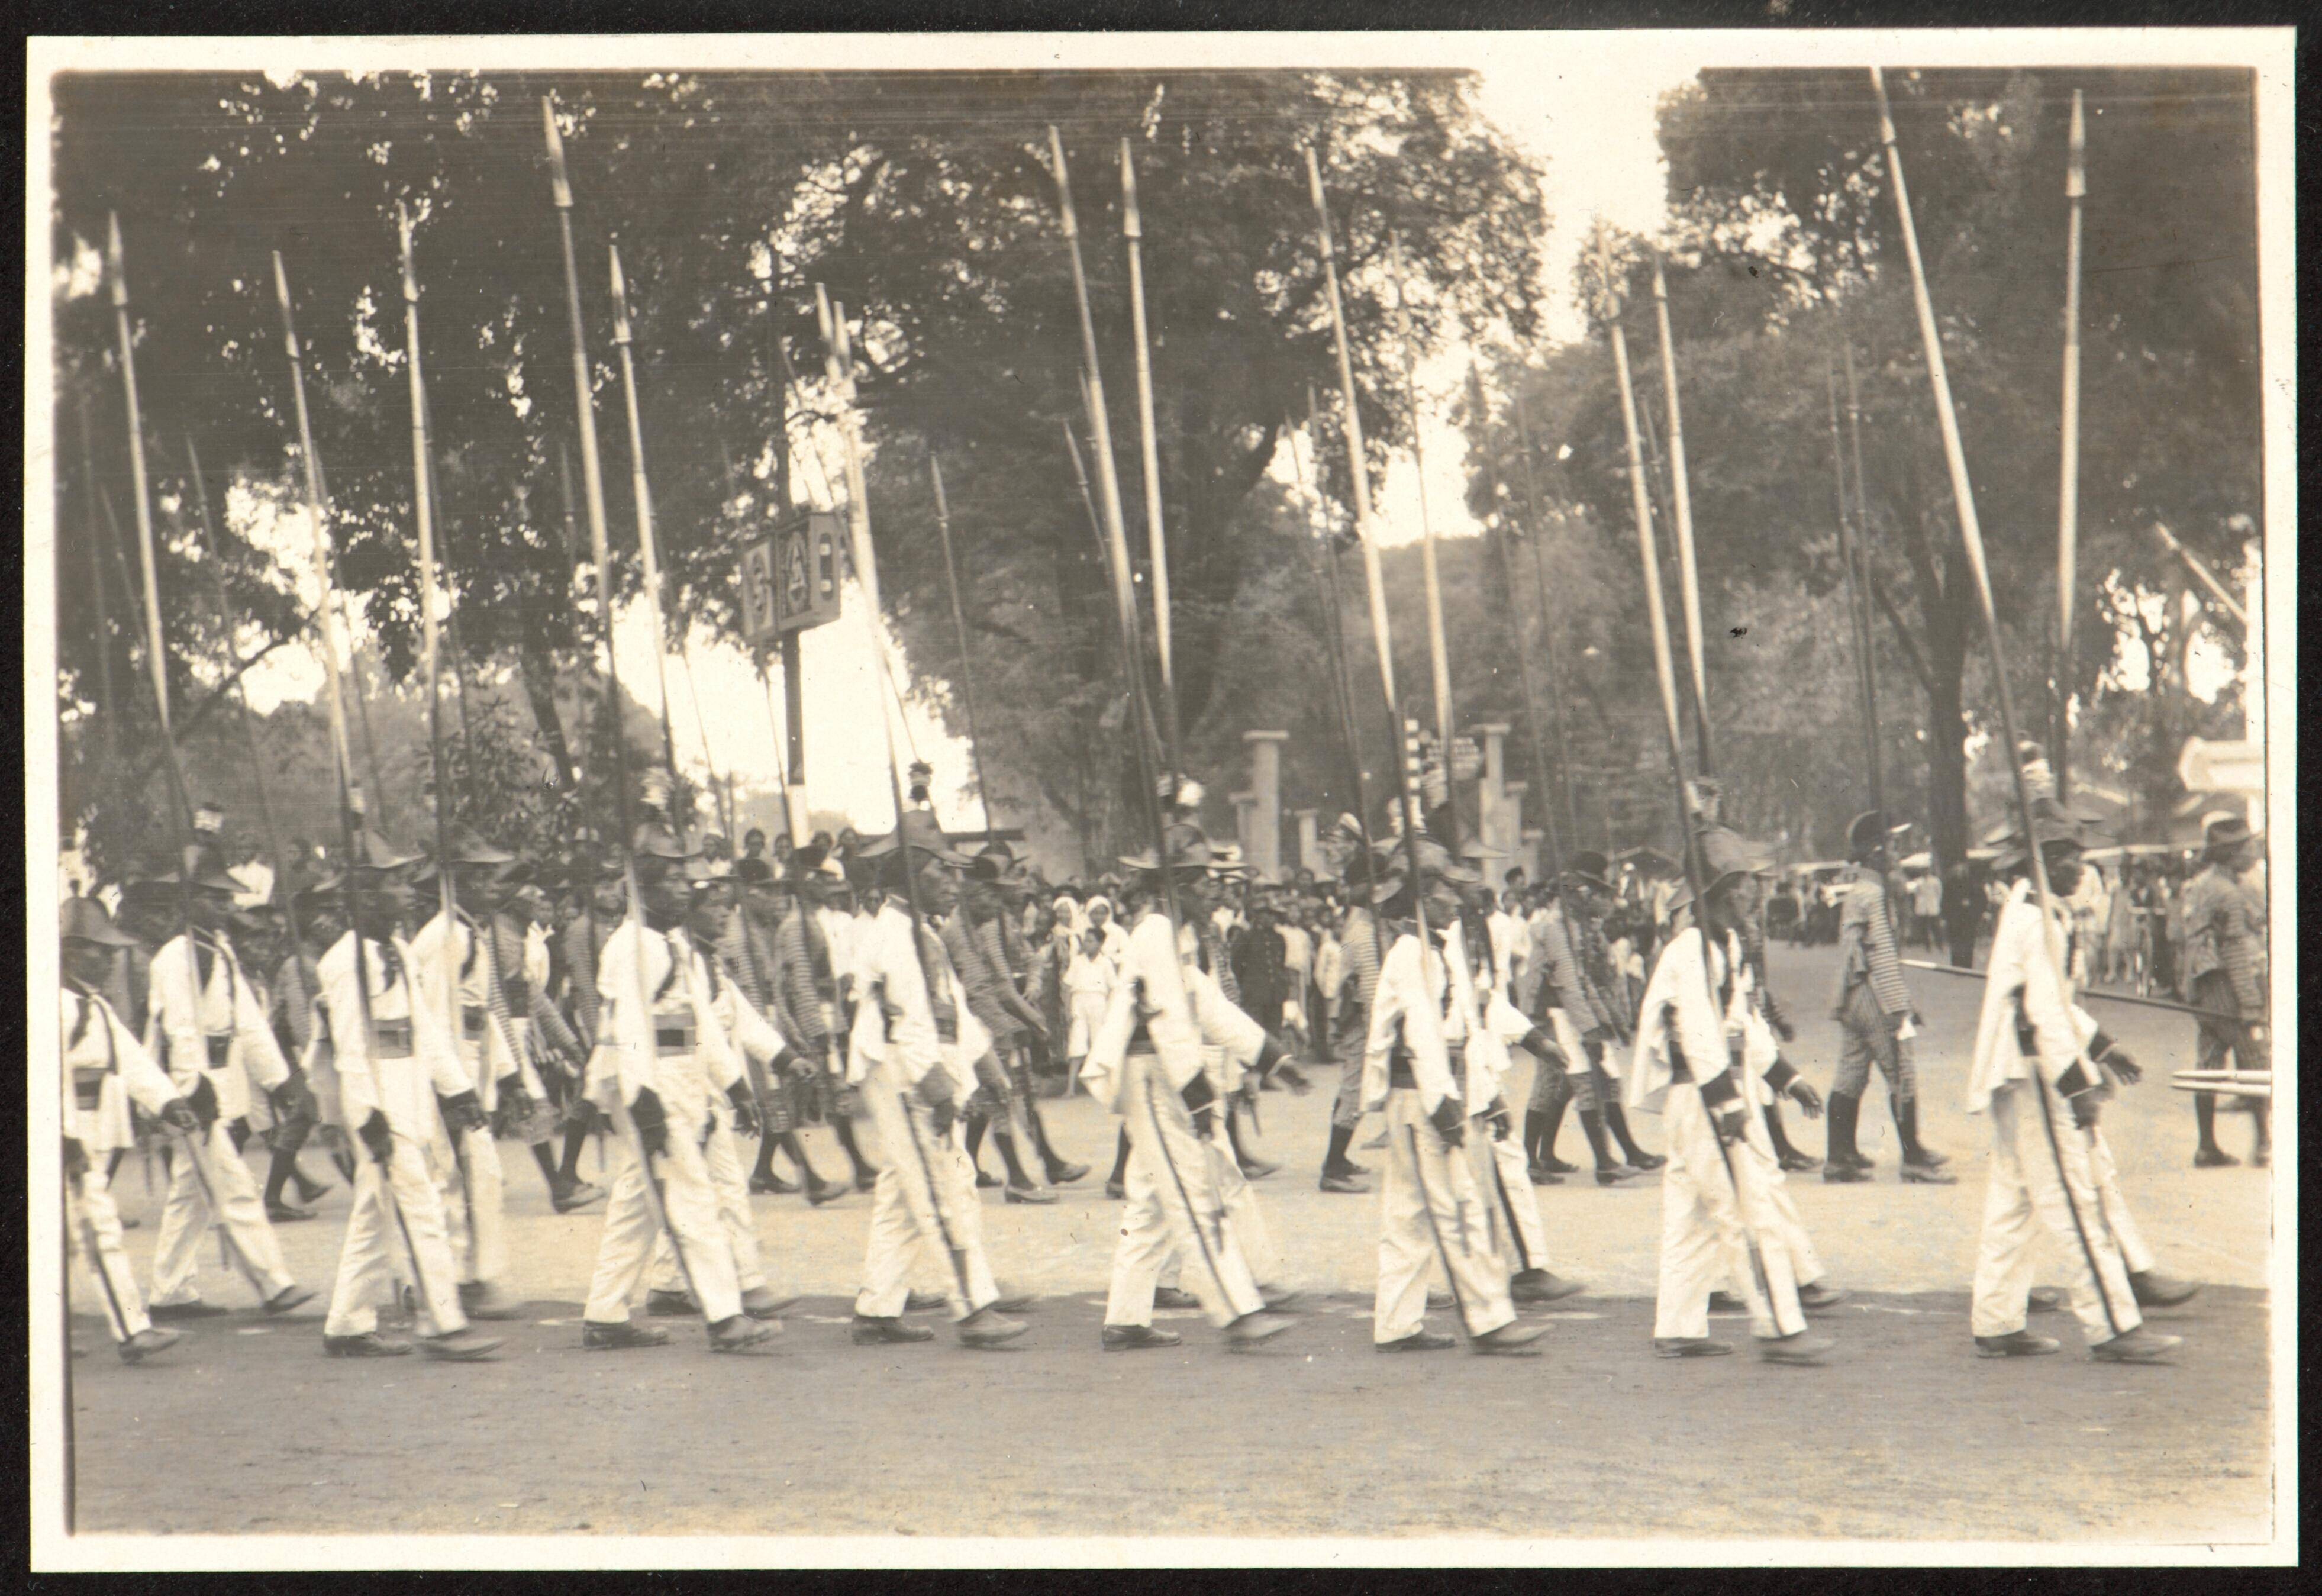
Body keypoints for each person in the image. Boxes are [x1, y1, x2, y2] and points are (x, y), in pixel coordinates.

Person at [1964, 807, 2195, 1363]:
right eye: (2068, 856)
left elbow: (2055, 1005)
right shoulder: (2036, 918)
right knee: (2074, 1198)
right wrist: (2077, 1087)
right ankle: (2112, 1327)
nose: (2080, 866)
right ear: (2039, 861)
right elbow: (2043, 1013)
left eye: (2081, 855)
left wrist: (2103, 1046)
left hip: (2017, 1074)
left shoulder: (2031, 910)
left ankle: (1996, 1320)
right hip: (2035, 1074)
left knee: (2015, 1200)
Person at [1081, 833, 1301, 1353]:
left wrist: (1272, 1056)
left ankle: (1125, 1319)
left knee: (1150, 1201)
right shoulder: (1157, 931)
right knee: (1191, 1194)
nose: (1213, 889)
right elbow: (1166, 1018)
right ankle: (1237, 1312)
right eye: (1201, 880)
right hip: (1154, 1073)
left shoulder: (1174, 932)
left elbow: (1206, 1004)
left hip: (1162, 1071)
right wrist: (1198, 1095)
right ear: (1176, 884)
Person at [577, 821, 781, 1355]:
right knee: (691, 1199)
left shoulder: (670, 944)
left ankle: (605, 1313)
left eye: (683, 878)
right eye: (670, 879)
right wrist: (644, 1101)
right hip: (649, 1088)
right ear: (643, 887)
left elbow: (701, 1026)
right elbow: (627, 1029)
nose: (683, 888)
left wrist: (735, 1086)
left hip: (680, 1080)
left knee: (637, 1206)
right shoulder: (632, 948)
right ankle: (725, 1316)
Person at [1626, 859, 1836, 1366]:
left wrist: (1786, 1077)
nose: (1753, 899)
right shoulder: (1690, 952)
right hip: (1702, 1097)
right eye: (1744, 890)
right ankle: (1779, 1327)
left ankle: (1677, 1327)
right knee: (1747, 1208)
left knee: (1692, 1216)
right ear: (1720, 896)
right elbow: (1698, 1035)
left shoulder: (1727, 947)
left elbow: (1743, 1025)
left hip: (1712, 1092)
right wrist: (1728, 1105)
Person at [311, 830, 502, 1360]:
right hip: (379, 1107)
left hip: (411, 1097)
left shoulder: (396, 949)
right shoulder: (345, 962)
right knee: (422, 1210)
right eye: (393, 883)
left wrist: (457, 1090)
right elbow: (350, 1047)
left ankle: (347, 1323)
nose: (407, 891)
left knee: (375, 1217)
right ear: (365, 895)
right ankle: (443, 1322)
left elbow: (427, 1029)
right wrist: (366, 1115)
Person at [843, 818, 1030, 1350]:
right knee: (945, 1187)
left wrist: (987, 1065)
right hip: (905, 1071)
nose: (954, 881)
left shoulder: (922, 933)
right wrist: (936, 1087)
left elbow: (954, 1011)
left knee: (905, 1194)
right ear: (910, 877)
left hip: (917, 1066)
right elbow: (904, 1020)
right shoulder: (896, 936)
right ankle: (973, 1306)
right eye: (941, 871)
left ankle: (877, 1307)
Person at [1359, 837, 1549, 1356]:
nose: (1457, 899)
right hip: (1422, 1098)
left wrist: (1486, 1095)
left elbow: (1467, 1027)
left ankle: (1396, 1324)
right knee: (1460, 1207)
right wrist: (1444, 1105)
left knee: (1409, 1215)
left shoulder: (1438, 949)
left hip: (1425, 1095)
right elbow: (1422, 1036)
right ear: (1422, 896)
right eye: (1446, 889)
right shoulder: (1411, 955)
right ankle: (1489, 1320)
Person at [142, 844, 318, 1323]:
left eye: (226, 899)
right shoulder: (176, 957)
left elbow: (251, 1023)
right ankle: (274, 1282)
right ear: (189, 900)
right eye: (212, 898)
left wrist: (281, 1081)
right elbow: (178, 1028)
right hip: (191, 1089)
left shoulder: (218, 952)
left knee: (191, 1195)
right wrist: (191, 1088)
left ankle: (170, 1291)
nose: (223, 907)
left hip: (219, 1076)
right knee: (234, 1185)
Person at [636, 858, 803, 1331]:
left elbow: (742, 1017)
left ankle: (672, 1284)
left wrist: (784, 1058)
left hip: (705, 1087)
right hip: (682, 1089)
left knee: (693, 1190)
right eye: (714, 906)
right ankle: (744, 1286)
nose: (725, 914)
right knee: (709, 1189)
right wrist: (712, 1087)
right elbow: (674, 1036)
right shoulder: (676, 958)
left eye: (728, 906)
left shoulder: (708, 961)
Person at [61, 895, 199, 1363]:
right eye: (100, 950)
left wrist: (169, 1101)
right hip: (66, 1134)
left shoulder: (92, 1003)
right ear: (71, 950)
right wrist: (63, 1136)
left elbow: (133, 1060)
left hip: (92, 1127)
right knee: (98, 1229)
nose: (109, 959)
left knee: (67, 1236)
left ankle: (47, 1330)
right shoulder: (56, 1006)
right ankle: (132, 1330)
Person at [408, 827, 536, 1323]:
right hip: (448, 1077)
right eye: (476, 877)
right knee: (462, 1178)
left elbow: (481, 1014)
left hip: (471, 1069)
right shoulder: (445, 938)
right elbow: (434, 1020)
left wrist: (510, 1077)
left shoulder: (468, 933)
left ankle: (461, 1277)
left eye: (491, 875)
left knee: (476, 1176)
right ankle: (462, 1280)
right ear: (453, 882)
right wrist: (451, 1092)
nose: (489, 885)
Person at [1825, 811, 1953, 1184]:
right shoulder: (1875, 895)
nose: (1898, 854)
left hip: (1854, 993)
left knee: (1851, 1073)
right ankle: (1913, 1157)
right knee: (1902, 1071)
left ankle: (1840, 1156)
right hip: (1873, 992)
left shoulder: (1861, 891)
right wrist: (1900, 1007)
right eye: (1893, 846)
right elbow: (1880, 955)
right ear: (1876, 852)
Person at [2177, 816, 2270, 1168]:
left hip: (2203, 986)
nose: (2254, 852)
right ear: (2232, 853)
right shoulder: (2228, 893)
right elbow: (2235, 952)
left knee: (2209, 1065)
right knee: (2255, 1060)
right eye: (2249, 846)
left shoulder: (2201, 886)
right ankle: (2264, 1144)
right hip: (2228, 986)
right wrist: (2250, 1002)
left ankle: (2207, 1146)